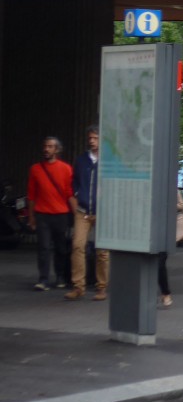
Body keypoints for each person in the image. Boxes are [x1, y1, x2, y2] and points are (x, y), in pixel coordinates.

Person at [66, 125, 109, 301]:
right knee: (77, 245)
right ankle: (78, 286)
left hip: (102, 210)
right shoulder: (82, 160)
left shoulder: (108, 160)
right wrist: (76, 199)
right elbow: (74, 182)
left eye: (95, 138)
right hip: (82, 209)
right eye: (90, 138)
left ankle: (102, 287)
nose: (91, 141)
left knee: (103, 250)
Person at [27, 136, 74, 291]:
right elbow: (31, 195)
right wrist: (31, 217)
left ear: (57, 150)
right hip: (42, 215)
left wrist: (77, 214)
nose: (46, 149)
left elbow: (69, 193)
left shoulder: (66, 168)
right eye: (45, 146)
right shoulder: (35, 169)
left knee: (61, 248)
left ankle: (60, 277)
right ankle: (43, 279)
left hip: (61, 214)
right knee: (43, 248)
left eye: (50, 146)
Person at [158, 191, 183, 308]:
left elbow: (181, 205)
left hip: (163, 230)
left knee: (160, 263)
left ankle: (165, 293)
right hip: (144, 229)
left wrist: (165, 205)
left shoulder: (169, 186)